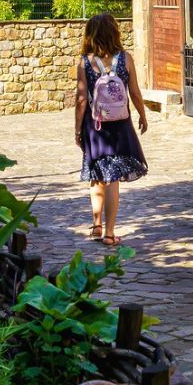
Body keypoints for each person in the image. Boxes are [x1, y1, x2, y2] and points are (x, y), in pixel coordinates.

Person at [75, 13, 148, 245]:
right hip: (120, 125)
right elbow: (134, 92)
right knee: (113, 178)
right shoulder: (125, 59)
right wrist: (143, 115)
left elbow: (81, 99)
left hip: (95, 126)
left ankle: (96, 225)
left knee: (96, 174)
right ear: (115, 32)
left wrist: (77, 130)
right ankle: (109, 232)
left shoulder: (85, 62)